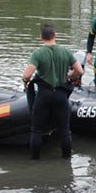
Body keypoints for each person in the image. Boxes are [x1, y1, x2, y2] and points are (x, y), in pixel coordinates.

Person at [22, 24, 83, 160]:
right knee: (65, 131)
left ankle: (35, 161)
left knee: (36, 130)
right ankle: (67, 161)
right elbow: (79, 71)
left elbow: (27, 75)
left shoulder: (38, 53)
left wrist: (25, 81)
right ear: (55, 35)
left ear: (41, 37)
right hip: (61, 95)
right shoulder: (65, 51)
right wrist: (68, 76)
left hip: (44, 95)